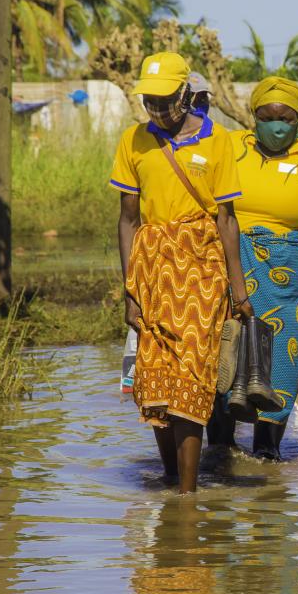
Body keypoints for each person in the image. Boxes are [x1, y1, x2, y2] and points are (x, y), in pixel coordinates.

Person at [111, 52, 252, 494]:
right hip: (152, 272)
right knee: (154, 379)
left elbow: (227, 220)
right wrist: (131, 290)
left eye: (164, 99)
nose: (156, 109)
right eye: (149, 101)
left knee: (191, 378)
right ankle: (171, 479)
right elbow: (128, 220)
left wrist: (238, 285)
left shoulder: (218, 140)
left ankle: (187, 498)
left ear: (186, 93)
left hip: (202, 271)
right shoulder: (133, 142)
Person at [206, 77, 298, 460]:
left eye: (286, 118)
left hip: (288, 275)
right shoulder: (231, 147)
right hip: (231, 267)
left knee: (280, 363)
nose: (277, 126)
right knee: (225, 356)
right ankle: (221, 453)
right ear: (253, 118)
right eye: (267, 117)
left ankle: (266, 454)